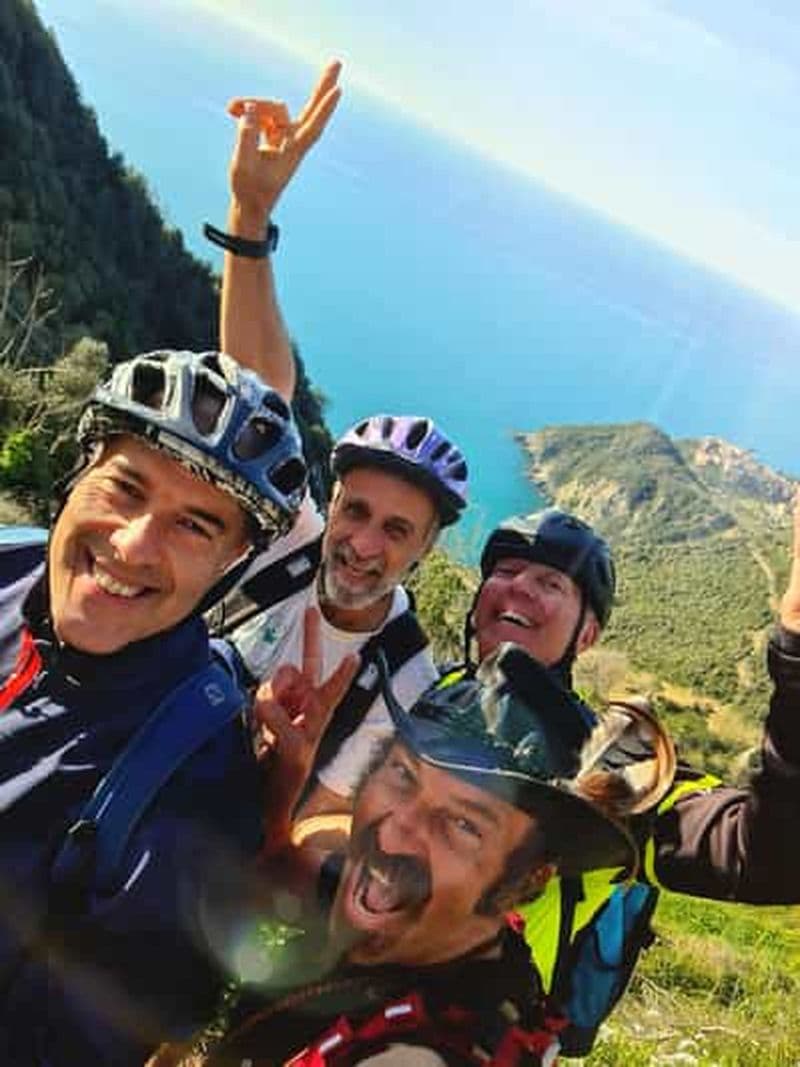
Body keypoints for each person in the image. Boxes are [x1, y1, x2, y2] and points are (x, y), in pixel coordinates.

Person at [0, 349, 354, 1067]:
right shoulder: (8, 566)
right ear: (81, 470)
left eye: (194, 525)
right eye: (125, 486)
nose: (132, 545)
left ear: (229, 563)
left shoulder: (197, 784)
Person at [148, 642, 670, 1067]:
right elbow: (296, 856)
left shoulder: (431, 1048)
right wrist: (282, 786)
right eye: (402, 776)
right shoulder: (430, 925)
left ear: (529, 880)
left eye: (464, 824)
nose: (399, 832)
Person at [205, 64, 469, 808]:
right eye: (354, 511)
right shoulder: (288, 543)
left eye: (396, 529)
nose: (362, 544)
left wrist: (284, 766)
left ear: (424, 549)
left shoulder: (407, 676)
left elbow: (313, 830)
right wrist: (250, 215)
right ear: (331, 503)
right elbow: (257, 396)